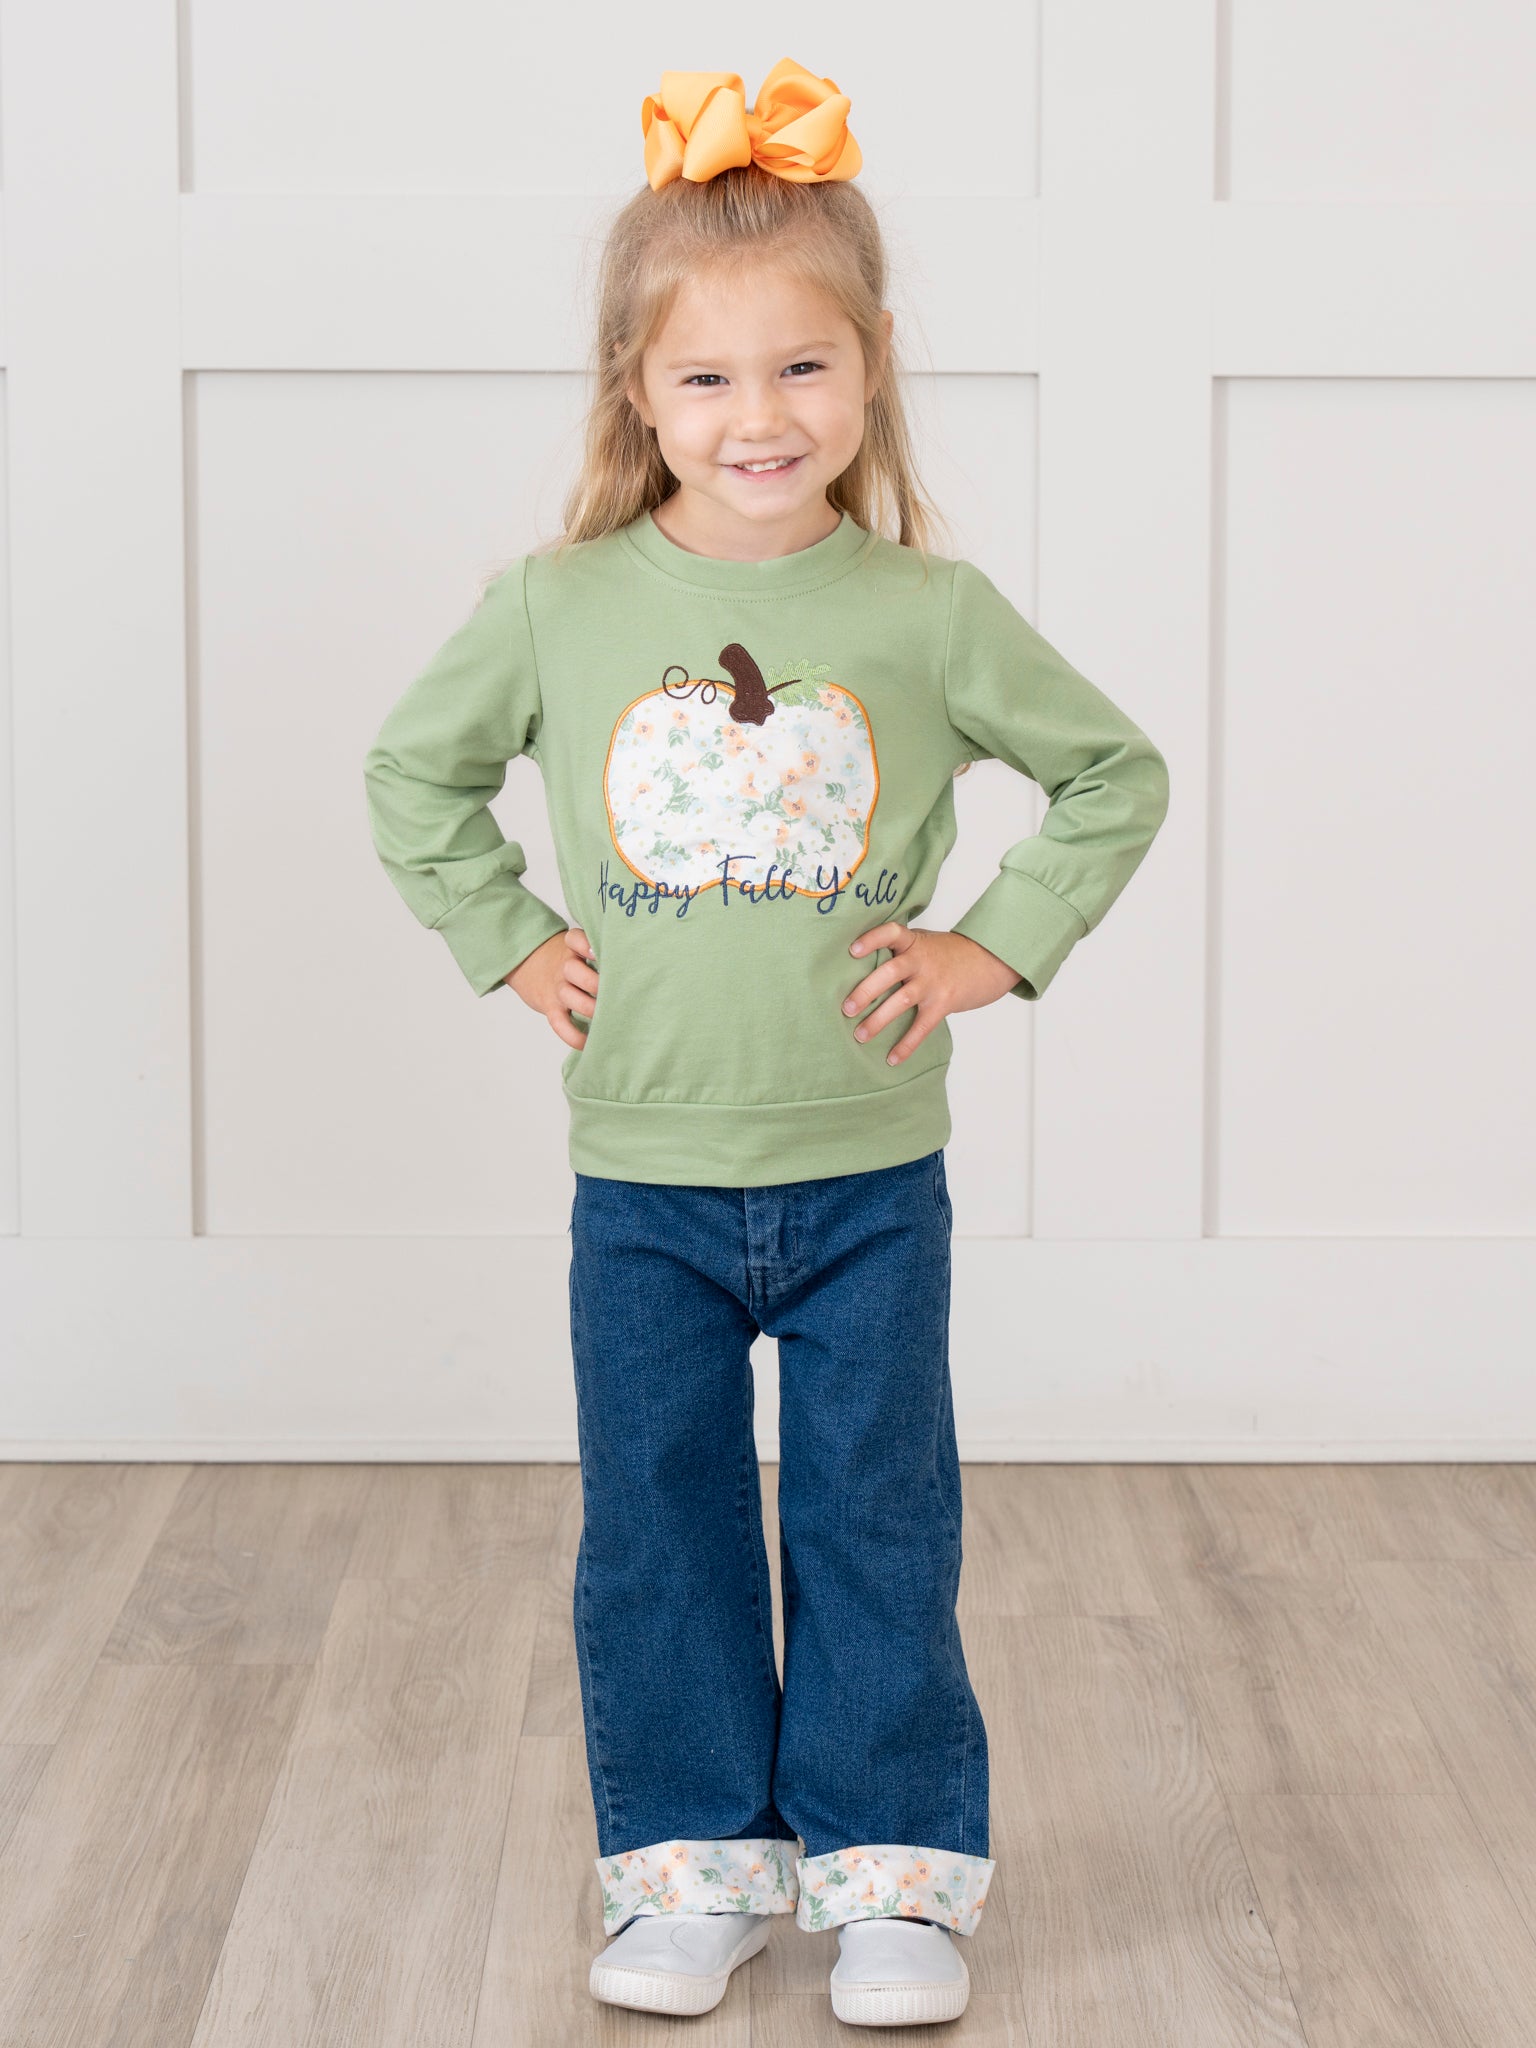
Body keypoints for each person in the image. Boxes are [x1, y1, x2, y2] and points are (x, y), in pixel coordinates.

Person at [363, 57, 1170, 2030]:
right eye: (710, 377)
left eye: (804, 368)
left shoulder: (926, 610)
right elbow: (413, 776)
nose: (760, 417)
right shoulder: (556, 606)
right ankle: (693, 1873)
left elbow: (1112, 775)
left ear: (872, 368)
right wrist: (510, 938)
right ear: (637, 393)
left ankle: (893, 1878)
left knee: (876, 1520)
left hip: (871, 1173)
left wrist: (992, 947)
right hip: (640, 1178)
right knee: (661, 1530)